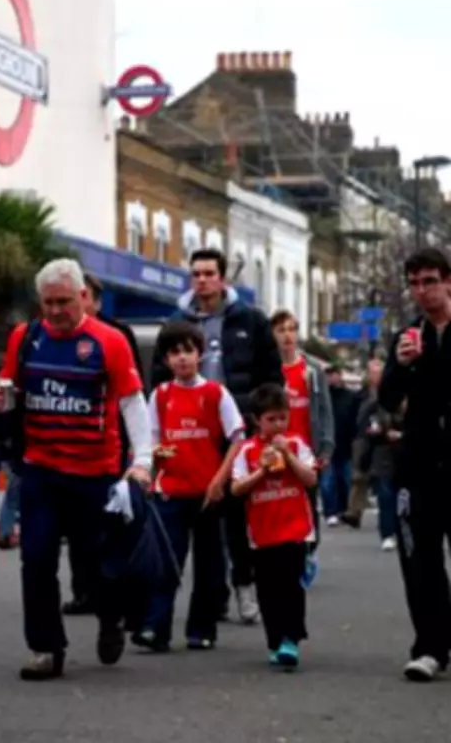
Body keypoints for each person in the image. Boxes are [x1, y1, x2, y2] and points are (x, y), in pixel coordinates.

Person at [0, 258, 152, 681]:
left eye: (64, 301)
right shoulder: (25, 339)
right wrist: (1, 403)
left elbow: (132, 402)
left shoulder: (110, 341)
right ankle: (45, 647)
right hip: (42, 468)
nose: (56, 311)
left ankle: (111, 617)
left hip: (96, 472)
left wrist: (143, 461)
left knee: (99, 562)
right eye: (48, 303)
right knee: (36, 557)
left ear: (83, 297)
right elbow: (11, 389)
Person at [152, 248, 283, 624]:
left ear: (223, 278)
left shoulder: (250, 320)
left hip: (236, 428)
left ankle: (244, 586)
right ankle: (212, 598)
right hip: (190, 435)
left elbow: (270, 375)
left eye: (209, 273)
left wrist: (263, 423)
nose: (203, 280)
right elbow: (159, 378)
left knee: (238, 516)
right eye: (196, 274)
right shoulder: (177, 321)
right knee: (199, 520)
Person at [132, 320, 244, 653]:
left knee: (210, 566)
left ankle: (202, 629)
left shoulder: (215, 393)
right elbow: (150, 441)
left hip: (207, 493)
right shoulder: (160, 395)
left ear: (199, 354)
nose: (181, 359)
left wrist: (220, 480)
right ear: (166, 360)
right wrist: (150, 469)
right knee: (166, 562)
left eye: (187, 351)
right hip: (171, 492)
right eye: (174, 353)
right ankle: (156, 627)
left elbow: (238, 438)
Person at [379, 247, 451, 682]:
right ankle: (430, 646)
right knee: (419, 558)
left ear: (448, 281)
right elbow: (387, 398)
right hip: (419, 461)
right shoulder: (408, 335)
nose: (422, 291)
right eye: (414, 283)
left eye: (429, 281)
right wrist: (403, 365)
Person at [61, 272, 144, 616]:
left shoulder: (117, 336)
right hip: (66, 450)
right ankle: (84, 592)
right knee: (76, 530)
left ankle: (113, 592)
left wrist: (135, 449)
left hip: (109, 447)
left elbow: (131, 396)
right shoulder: (57, 337)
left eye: (85, 297)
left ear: (95, 301)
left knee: (108, 525)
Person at [230, 383, 318, 668]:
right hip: (263, 532)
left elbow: (310, 478)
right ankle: (275, 639)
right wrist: (261, 471)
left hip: (294, 530)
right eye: (272, 419)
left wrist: (289, 457)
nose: (279, 424)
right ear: (258, 420)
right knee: (268, 589)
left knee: (291, 586)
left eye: (283, 417)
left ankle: (292, 639)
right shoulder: (247, 451)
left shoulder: (297, 444)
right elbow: (237, 488)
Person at [269, 309, 334, 586]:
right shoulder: (269, 369)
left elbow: (324, 411)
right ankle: (283, 560)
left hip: (306, 452)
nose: (288, 335)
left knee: (307, 507)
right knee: (279, 506)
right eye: (282, 330)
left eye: (292, 329)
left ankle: (308, 551)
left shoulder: (312, 371)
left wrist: (327, 447)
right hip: (275, 451)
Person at [355, 382, 401, 552]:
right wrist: (373, 430)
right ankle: (387, 533)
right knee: (386, 495)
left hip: (406, 453)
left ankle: (400, 530)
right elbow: (362, 425)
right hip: (383, 453)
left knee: (403, 496)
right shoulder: (375, 406)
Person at [342, 358, 384, 529]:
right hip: (362, 438)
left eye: (378, 372)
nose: (374, 375)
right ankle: (353, 511)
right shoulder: (361, 395)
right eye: (372, 372)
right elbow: (352, 416)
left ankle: (386, 515)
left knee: (382, 477)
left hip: (383, 439)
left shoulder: (388, 391)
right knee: (359, 476)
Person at [322, 365, 359, 524]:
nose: (331, 378)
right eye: (328, 375)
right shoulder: (323, 397)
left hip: (346, 444)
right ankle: (331, 511)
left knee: (345, 480)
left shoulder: (350, 396)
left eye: (334, 374)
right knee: (327, 482)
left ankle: (344, 509)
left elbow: (356, 419)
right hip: (327, 445)